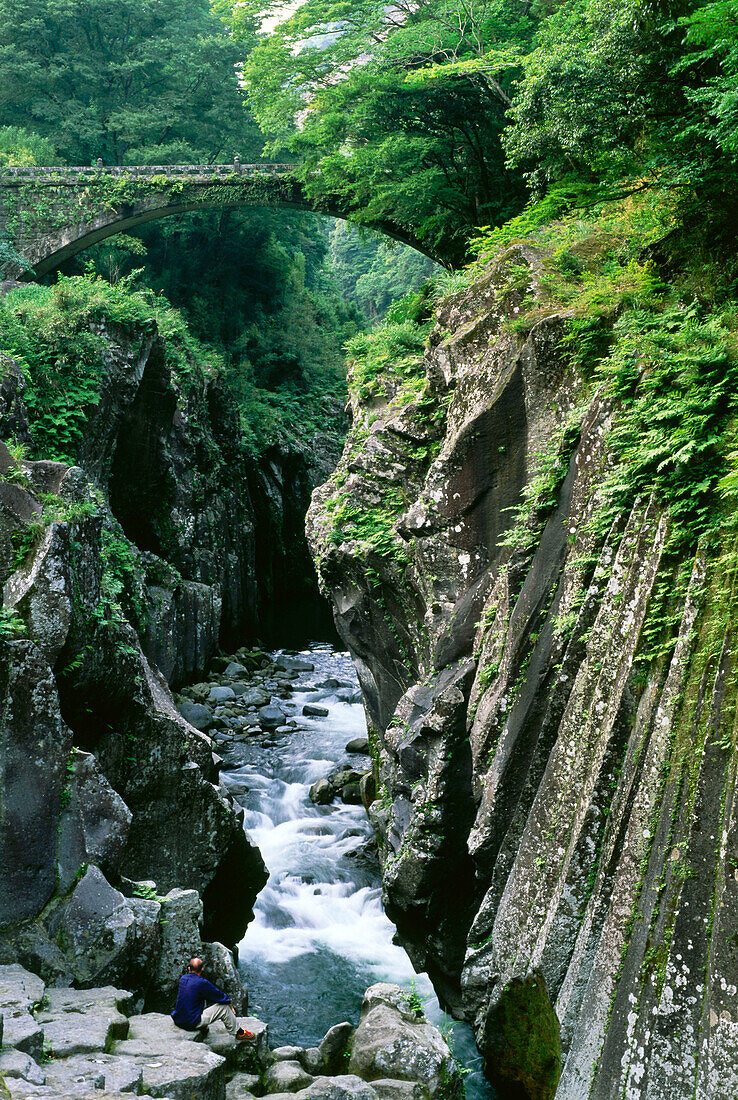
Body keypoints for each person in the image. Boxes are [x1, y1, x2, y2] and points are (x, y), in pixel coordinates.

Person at [171, 957, 253, 1040]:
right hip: (191, 1023)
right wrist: (229, 1004)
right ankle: (239, 1033)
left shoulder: (183, 979)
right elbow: (219, 995)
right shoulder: (202, 983)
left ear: (189, 968)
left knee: (196, 1000)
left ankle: (203, 1027)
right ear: (202, 969)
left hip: (178, 1020)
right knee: (224, 1008)